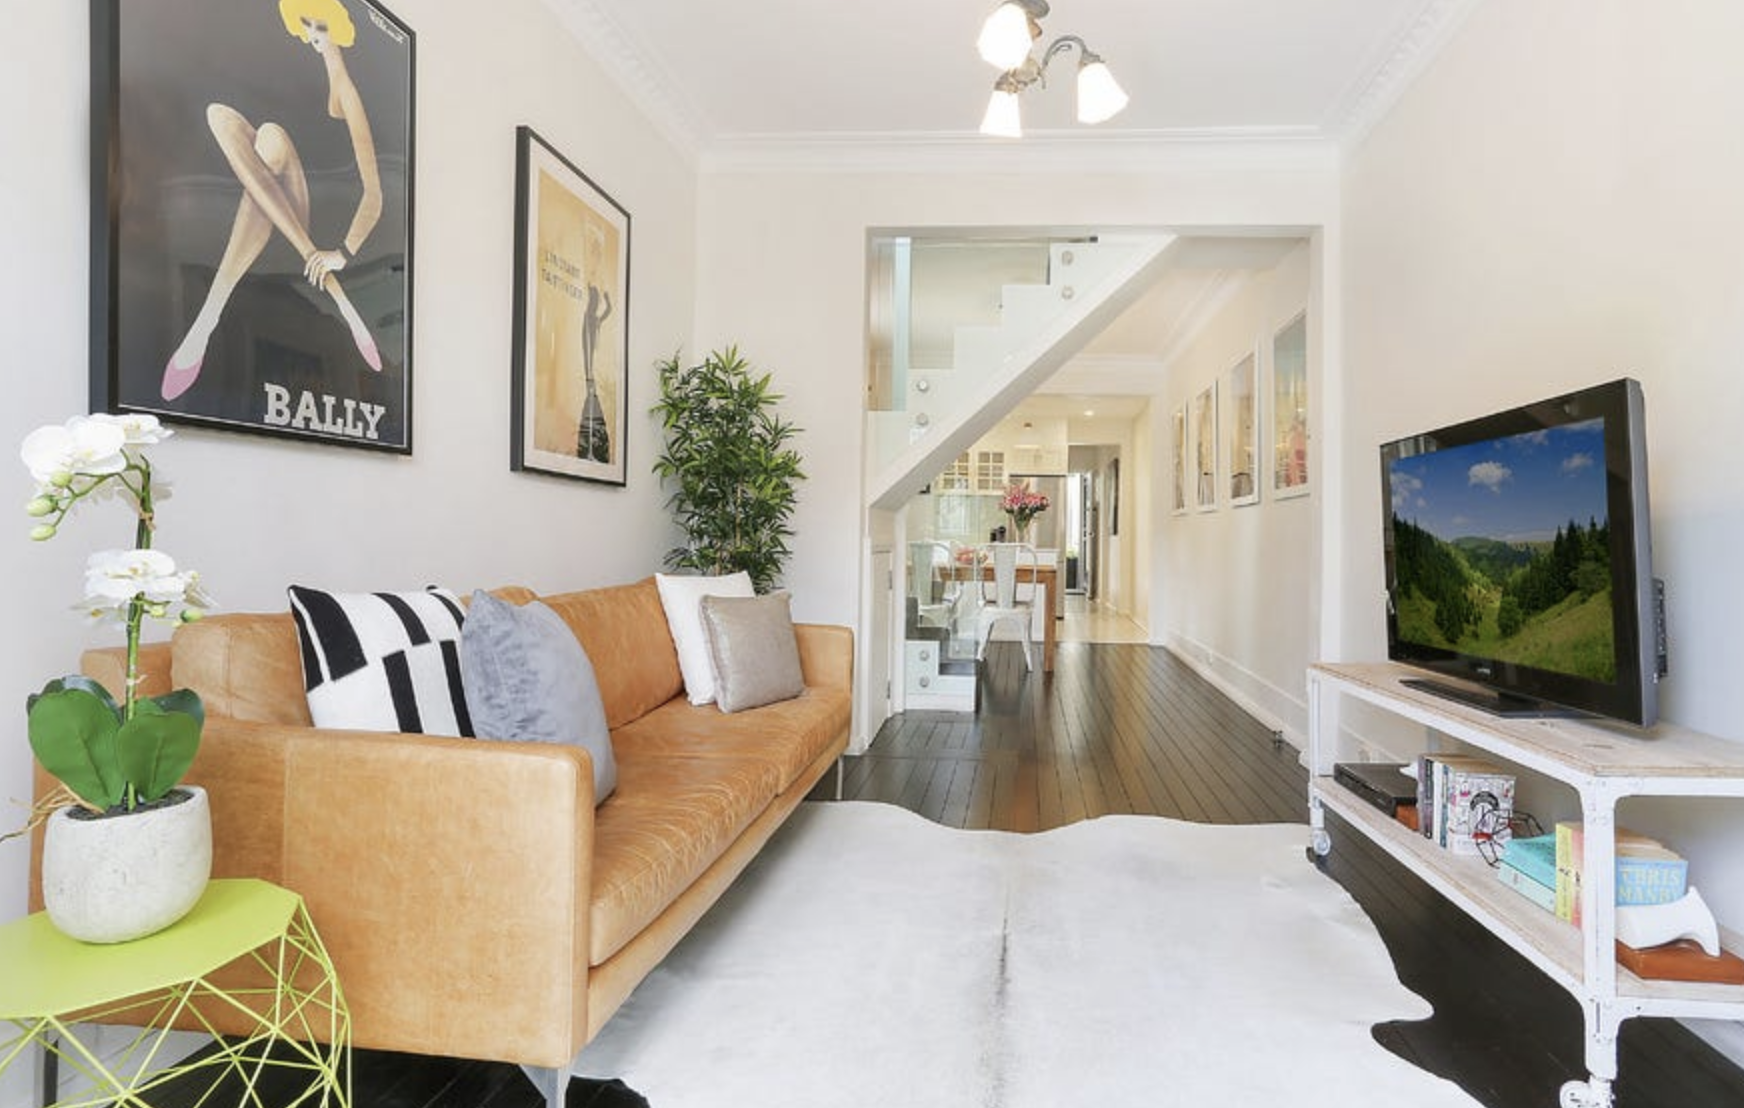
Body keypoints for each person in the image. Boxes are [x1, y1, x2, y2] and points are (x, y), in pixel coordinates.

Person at [161, 0, 384, 401]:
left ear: (338, 28)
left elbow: (375, 195)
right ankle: (337, 296)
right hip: (280, 204)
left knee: (274, 139)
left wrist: (344, 253)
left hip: (304, 206)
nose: (315, 37)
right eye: (309, 27)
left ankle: (208, 317)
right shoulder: (300, 79)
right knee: (229, 119)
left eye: (321, 27)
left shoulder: (347, 93)